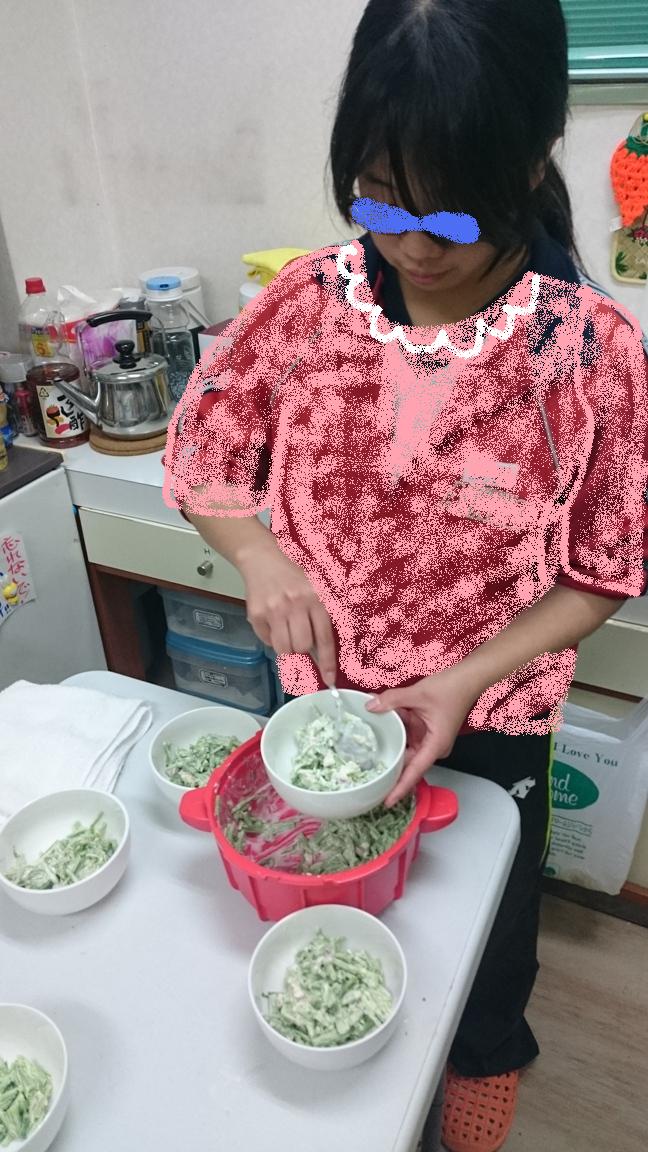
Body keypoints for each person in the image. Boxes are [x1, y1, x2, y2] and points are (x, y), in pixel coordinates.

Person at [164, 2, 648, 1148]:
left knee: (485, 942)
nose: (412, 244)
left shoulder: (589, 354)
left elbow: (605, 571)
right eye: (381, 200)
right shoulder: (308, 304)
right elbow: (202, 456)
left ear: (530, 162)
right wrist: (260, 554)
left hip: (489, 722)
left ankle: (477, 1080)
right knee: (332, 905)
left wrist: (461, 680)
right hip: (324, 708)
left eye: (450, 210)